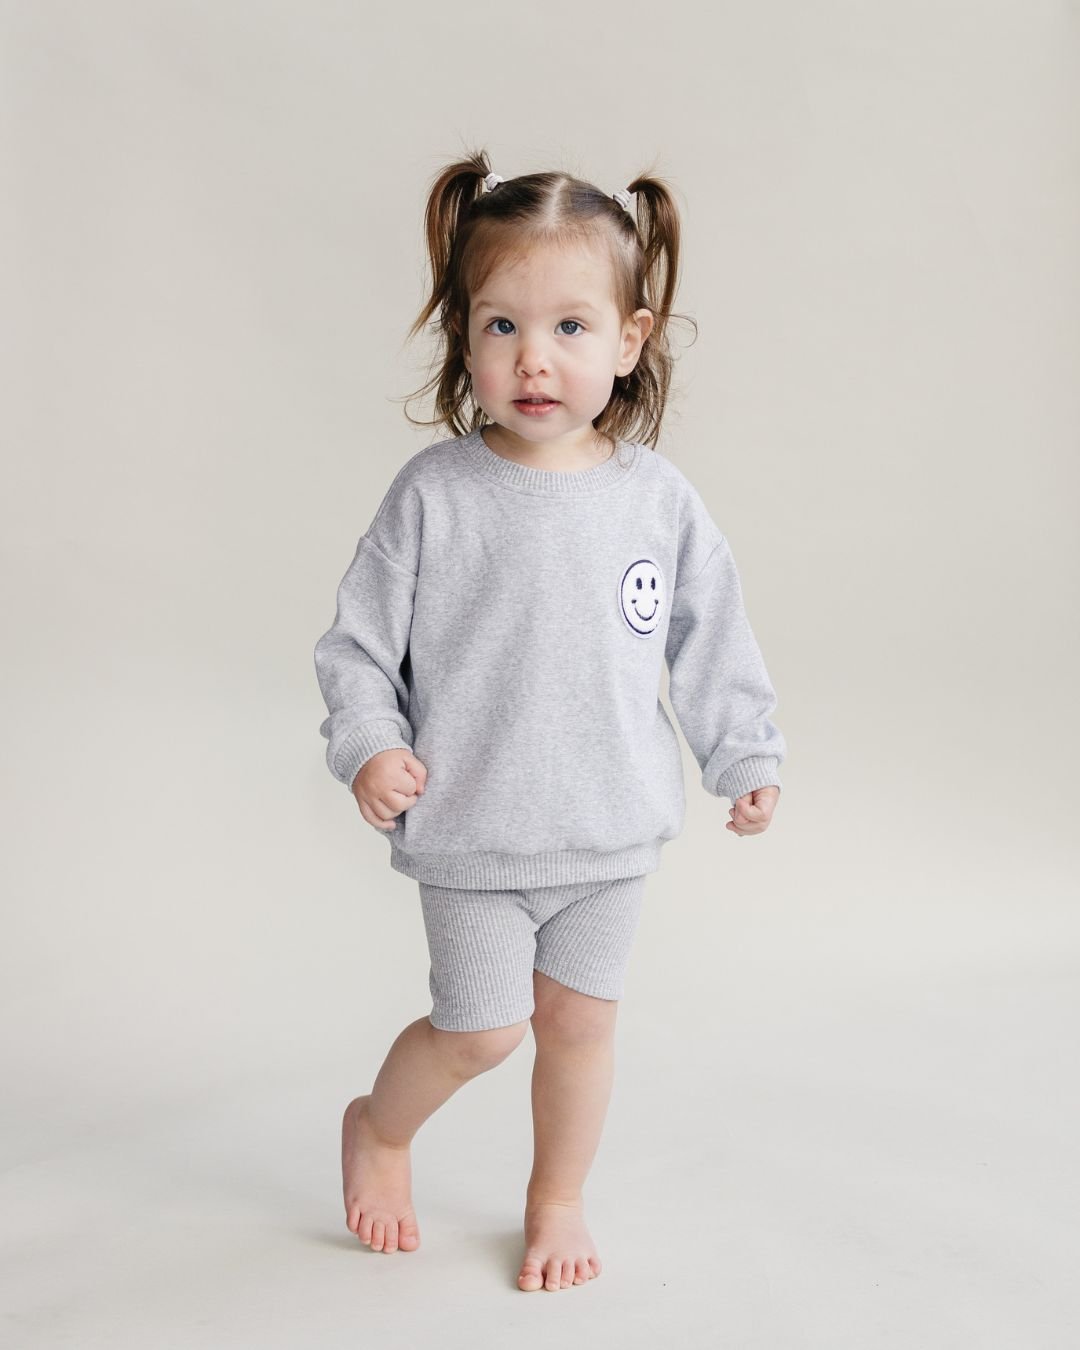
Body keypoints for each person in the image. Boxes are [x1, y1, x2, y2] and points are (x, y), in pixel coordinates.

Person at [313, 149, 787, 1293]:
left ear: (628, 342)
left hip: (609, 830)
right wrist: (369, 742)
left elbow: (708, 635)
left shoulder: (655, 501)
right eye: (501, 326)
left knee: (578, 1026)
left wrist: (744, 753)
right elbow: (357, 648)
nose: (534, 358)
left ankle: (556, 1196)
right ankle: (379, 1127)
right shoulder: (435, 496)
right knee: (482, 1031)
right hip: (475, 831)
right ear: (462, 337)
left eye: (571, 327)